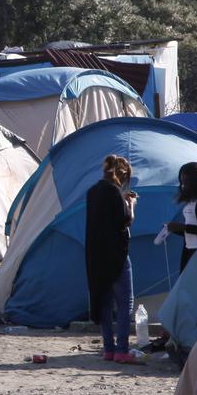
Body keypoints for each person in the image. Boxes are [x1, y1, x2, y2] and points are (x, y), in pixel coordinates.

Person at [85, 154, 138, 363]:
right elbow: (125, 220)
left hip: (96, 256)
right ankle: (122, 350)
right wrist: (131, 203)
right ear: (121, 175)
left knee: (105, 302)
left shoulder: (93, 192)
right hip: (117, 255)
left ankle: (109, 349)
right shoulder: (115, 193)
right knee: (125, 303)